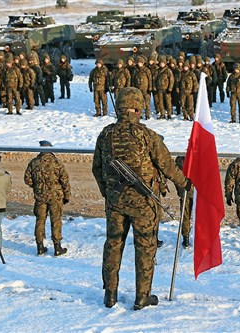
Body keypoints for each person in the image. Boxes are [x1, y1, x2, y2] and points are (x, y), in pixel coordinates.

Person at [92, 87, 191, 310]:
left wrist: (107, 192)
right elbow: (166, 165)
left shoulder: (106, 134)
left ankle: (110, 294)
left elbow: (96, 169)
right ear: (138, 107)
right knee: (145, 247)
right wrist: (183, 182)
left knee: (113, 245)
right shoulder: (147, 135)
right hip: (144, 204)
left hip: (115, 203)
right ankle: (142, 296)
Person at [24, 140, 71, 256]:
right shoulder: (56, 163)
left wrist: (38, 187)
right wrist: (66, 196)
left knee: (40, 220)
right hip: (55, 197)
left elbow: (27, 179)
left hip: (40, 197)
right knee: (56, 220)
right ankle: (57, 247)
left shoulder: (34, 163)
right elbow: (64, 181)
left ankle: (39, 247)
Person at [174, 155, 194, 248]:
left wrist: (179, 190)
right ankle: (187, 238)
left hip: (185, 190)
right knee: (188, 216)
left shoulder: (179, 159)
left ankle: (186, 238)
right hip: (195, 191)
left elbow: (175, 176)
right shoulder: (198, 157)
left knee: (185, 216)